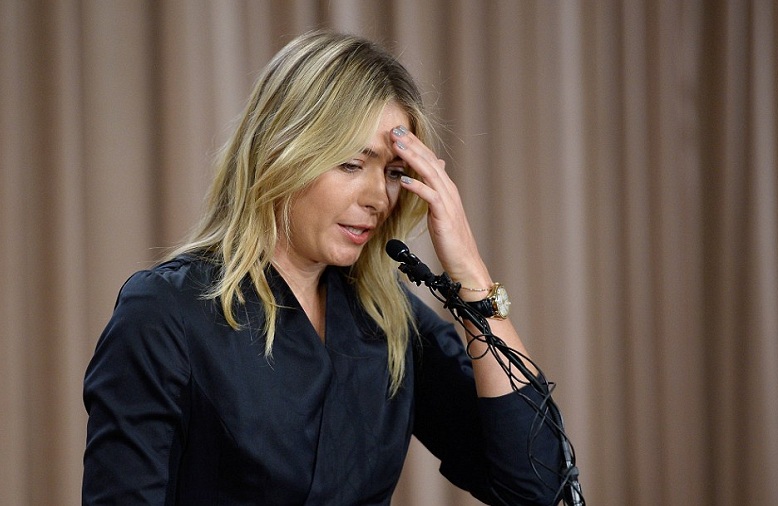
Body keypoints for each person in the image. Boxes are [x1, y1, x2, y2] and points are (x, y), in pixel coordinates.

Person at [82, 30, 565, 505]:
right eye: (352, 164)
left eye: (394, 173)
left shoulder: (389, 320)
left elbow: (537, 486)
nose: (378, 198)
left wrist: (472, 278)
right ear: (280, 152)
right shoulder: (164, 312)